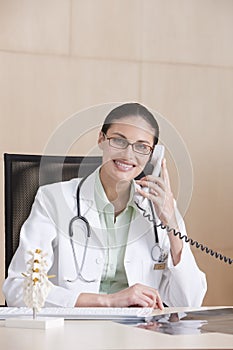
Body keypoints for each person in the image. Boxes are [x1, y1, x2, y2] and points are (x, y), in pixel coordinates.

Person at [3, 103, 207, 309]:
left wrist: (171, 225)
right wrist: (108, 301)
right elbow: (19, 289)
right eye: (119, 140)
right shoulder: (53, 199)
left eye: (142, 146)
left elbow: (189, 302)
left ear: (153, 154)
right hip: (71, 333)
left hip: (141, 334)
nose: (129, 155)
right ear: (101, 139)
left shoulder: (160, 208)